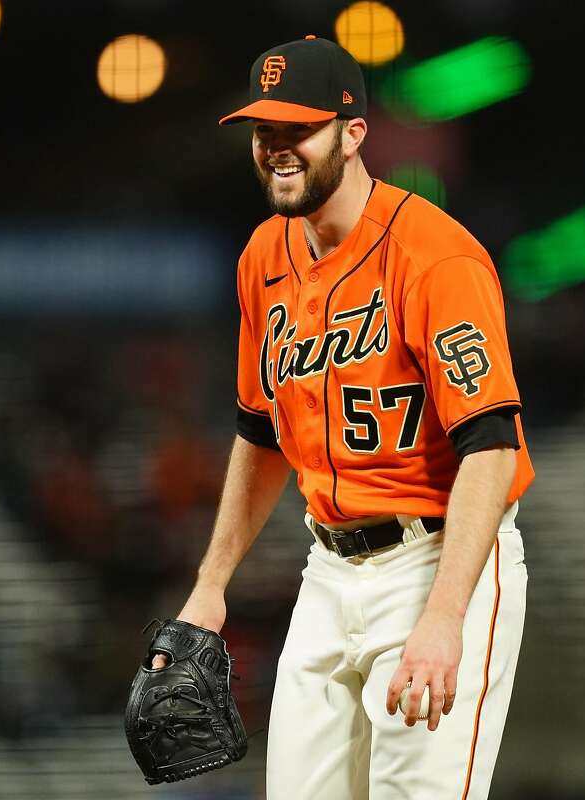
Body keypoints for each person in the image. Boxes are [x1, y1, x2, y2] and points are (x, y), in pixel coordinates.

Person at [151, 36, 534, 799]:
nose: (277, 149)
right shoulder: (263, 257)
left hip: (435, 560)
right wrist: (210, 585)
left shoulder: (435, 256)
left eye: (299, 129)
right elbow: (260, 434)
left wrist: (444, 616)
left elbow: (491, 450)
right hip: (326, 569)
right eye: (265, 132)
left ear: (354, 134)